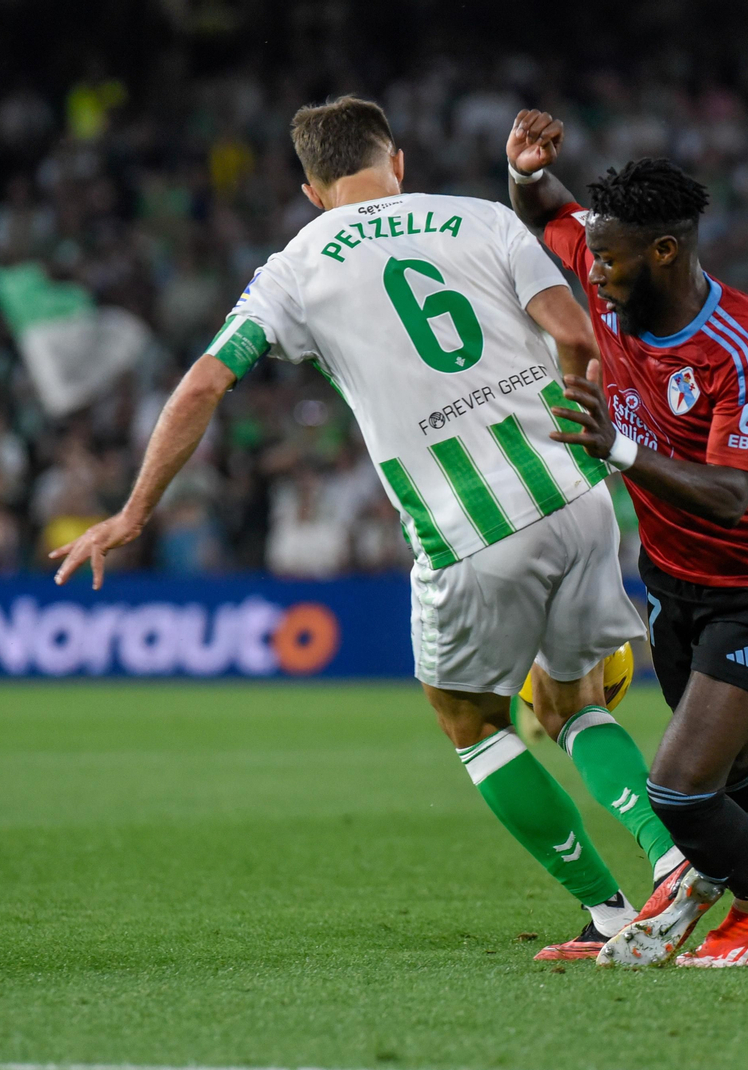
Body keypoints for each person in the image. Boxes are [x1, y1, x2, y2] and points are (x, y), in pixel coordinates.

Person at [50, 95, 683, 963]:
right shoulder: (482, 218)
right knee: (572, 698)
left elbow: (203, 386)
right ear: (400, 162)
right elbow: (576, 334)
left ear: (311, 190)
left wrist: (132, 513)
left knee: (472, 722)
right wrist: (580, 427)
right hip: (576, 497)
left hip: (468, 528)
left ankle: (610, 912)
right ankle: (673, 859)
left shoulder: (294, 268)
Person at [506, 109, 748, 968]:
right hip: (671, 579)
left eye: (607, 257)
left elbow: (734, 497)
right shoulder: (607, 269)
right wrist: (524, 173)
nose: (589, 269)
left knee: (676, 785)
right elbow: (546, 211)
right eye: (591, 251)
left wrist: (620, 448)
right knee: (735, 762)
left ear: (663, 251)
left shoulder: (739, 348)